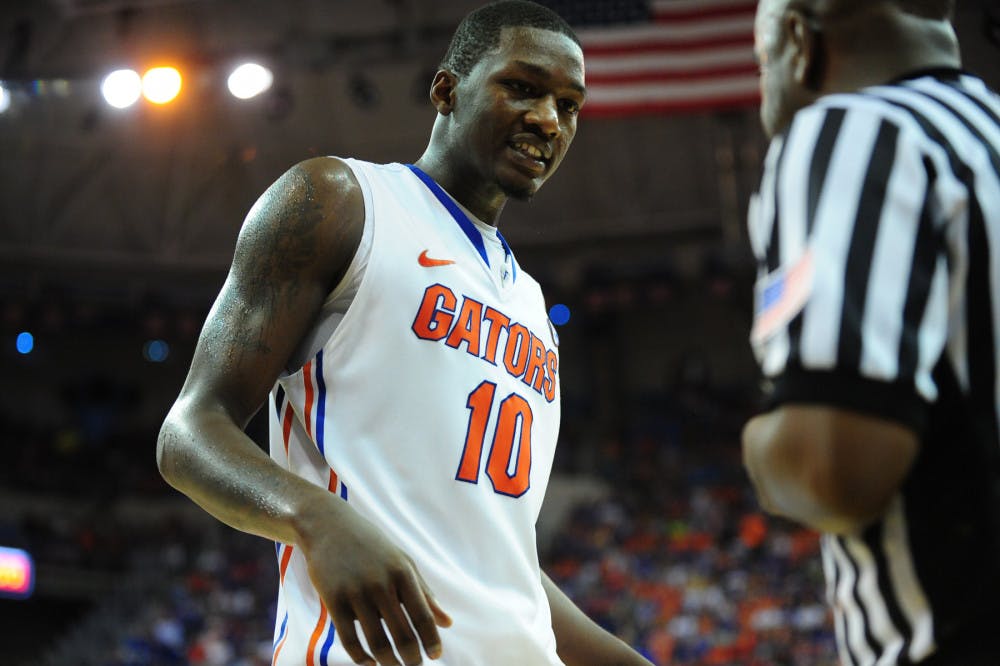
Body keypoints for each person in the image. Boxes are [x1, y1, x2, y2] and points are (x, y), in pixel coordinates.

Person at [156, 2, 652, 665]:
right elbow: (189, 432)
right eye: (524, 87)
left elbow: (502, 562)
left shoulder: (532, 307)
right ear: (447, 89)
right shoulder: (340, 201)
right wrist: (318, 518)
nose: (548, 120)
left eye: (569, 104)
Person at [742, 0, 1000, 663]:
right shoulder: (987, 133)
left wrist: (762, 442)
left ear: (798, 42)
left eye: (760, 60)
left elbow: (833, 470)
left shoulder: (852, 132)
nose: (762, 84)